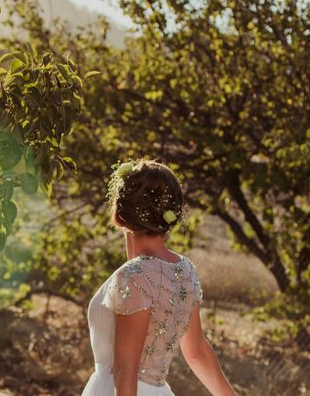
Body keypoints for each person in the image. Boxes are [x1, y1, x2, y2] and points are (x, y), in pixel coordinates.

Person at [81, 158, 237, 396]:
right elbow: (196, 352)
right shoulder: (185, 271)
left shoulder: (133, 276)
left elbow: (125, 368)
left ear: (119, 213)